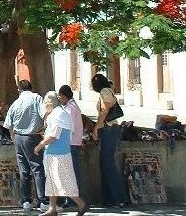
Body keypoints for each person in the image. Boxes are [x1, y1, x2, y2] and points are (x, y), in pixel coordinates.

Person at [34, 91, 88, 216]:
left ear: (50, 103)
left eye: (45, 103)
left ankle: (81, 203)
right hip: (55, 153)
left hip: (58, 154)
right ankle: (52, 208)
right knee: (52, 181)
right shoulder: (58, 113)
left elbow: (54, 135)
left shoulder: (58, 114)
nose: (44, 105)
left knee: (62, 181)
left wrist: (40, 145)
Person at [3, 79, 48, 213]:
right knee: (37, 168)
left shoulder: (15, 103)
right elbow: (44, 114)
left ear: (19, 90)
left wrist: (13, 137)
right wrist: (43, 129)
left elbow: (8, 124)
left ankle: (26, 200)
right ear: (31, 87)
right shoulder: (36, 98)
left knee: (23, 170)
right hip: (32, 137)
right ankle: (43, 201)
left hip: (18, 138)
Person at [91, 73, 129, 207]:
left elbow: (105, 110)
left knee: (108, 164)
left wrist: (96, 128)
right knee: (105, 164)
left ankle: (119, 198)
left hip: (108, 129)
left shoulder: (105, 92)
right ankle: (108, 198)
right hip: (109, 129)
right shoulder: (107, 91)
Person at [57, 84, 83, 208]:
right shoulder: (71, 106)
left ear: (63, 95)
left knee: (70, 173)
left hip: (71, 143)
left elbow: (68, 126)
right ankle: (71, 199)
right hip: (72, 142)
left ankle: (72, 200)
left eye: (60, 97)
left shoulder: (70, 108)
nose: (59, 99)